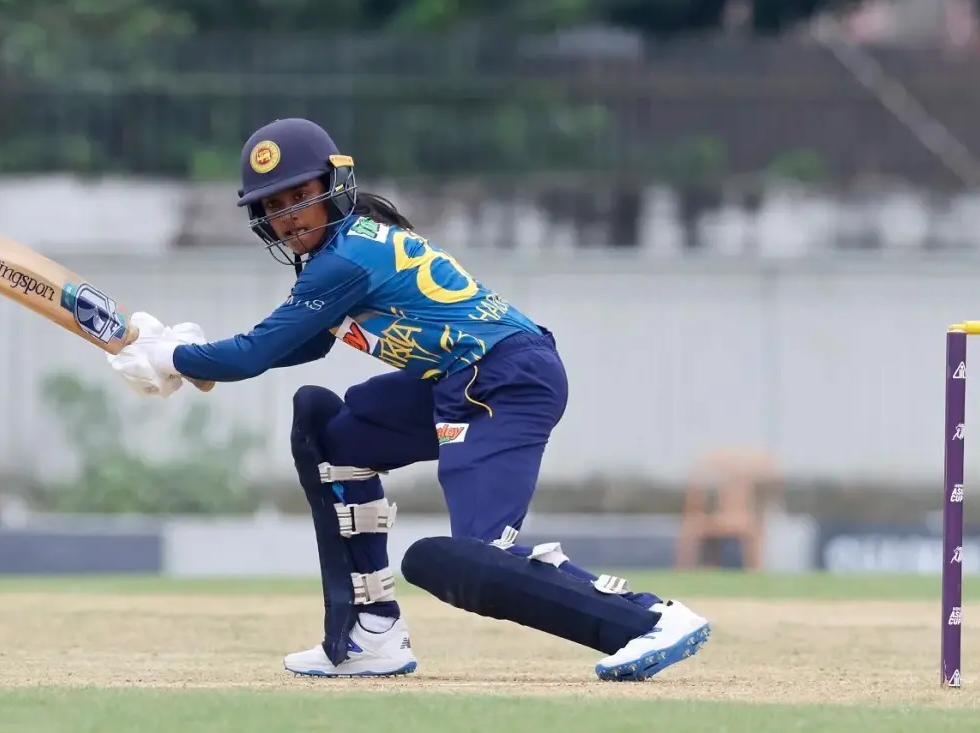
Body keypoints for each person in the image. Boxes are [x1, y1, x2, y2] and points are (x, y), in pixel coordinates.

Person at [107, 117, 712, 680]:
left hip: (499, 379)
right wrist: (189, 355)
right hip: (462, 378)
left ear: (333, 186)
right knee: (332, 437)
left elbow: (252, 354)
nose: (287, 217)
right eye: (272, 206)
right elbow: (301, 346)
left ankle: (649, 618)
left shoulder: (345, 260)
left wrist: (174, 357)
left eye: (298, 196)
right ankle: (369, 633)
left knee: (470, 558)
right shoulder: (345, 250)